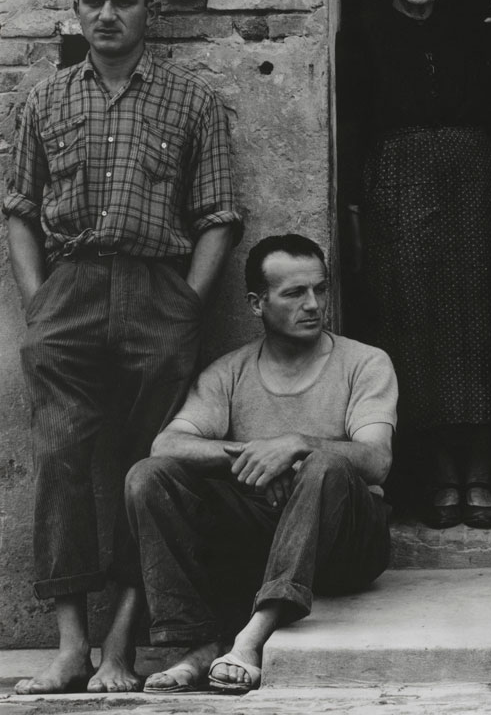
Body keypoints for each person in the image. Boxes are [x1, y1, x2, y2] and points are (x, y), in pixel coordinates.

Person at [3, 0, 242, 694]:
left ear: (152, 8)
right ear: (75, 6)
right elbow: (19, 210)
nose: (107, 14)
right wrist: (39, 305)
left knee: (151, 472)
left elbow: (219, 215)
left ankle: (121, 647)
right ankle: (71, 646)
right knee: (64, 463)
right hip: (67, 296)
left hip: (156, 295)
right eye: (93, 0)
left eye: (124, 0)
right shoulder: (44, 99)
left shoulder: (191, 99)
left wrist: (185, 305)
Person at [124, 234, 396, 693]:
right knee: (147, 477)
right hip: (262, 538)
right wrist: (256, 455)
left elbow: (376, 460)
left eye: (320, 289)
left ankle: (252, 636)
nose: (313, 304)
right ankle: (196, 643)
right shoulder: (229, 371)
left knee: (326, 464)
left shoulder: (364, 362)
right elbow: (166, 445)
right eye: (294, 293)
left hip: (348, 544)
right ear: (256, 303)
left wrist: (294, 445)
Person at [343, 0, 491, 529]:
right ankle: (440, 474)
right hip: (397, 186)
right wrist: (358, 219)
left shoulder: (480, 32)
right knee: (414, 325)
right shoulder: (361, 35)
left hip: (474, 186)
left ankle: (482, 472)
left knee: (478, 327)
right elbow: (353, 133)